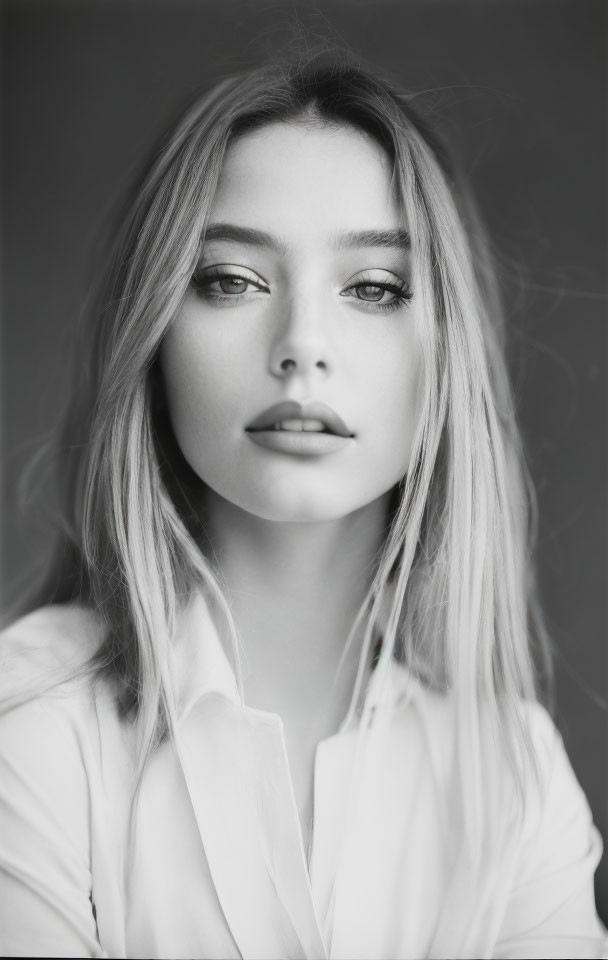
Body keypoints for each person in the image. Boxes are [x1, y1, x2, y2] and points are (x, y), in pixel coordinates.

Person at [0, 53, 605, 960]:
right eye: (233, 279)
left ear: (448, 358)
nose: (303, 346)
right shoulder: (29, 721)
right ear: (154, 333)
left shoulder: (512, 777)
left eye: (374, 288)